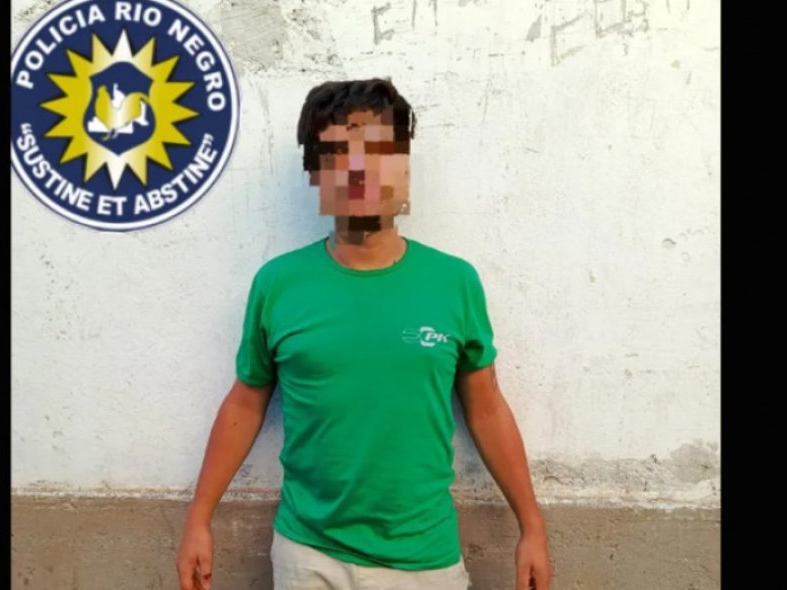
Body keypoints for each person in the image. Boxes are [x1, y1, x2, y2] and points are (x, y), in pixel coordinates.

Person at [177, 79, 553, 590]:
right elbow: (245, 402)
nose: (358, 169)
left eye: (378, 151)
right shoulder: (278, 284)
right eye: (337, 154)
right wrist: (199, 519)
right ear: (316, 173)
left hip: (425, 560)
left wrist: (532, 527)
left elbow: (486, 408)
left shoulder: (454, 283)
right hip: (307, 556)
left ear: (404, 167)